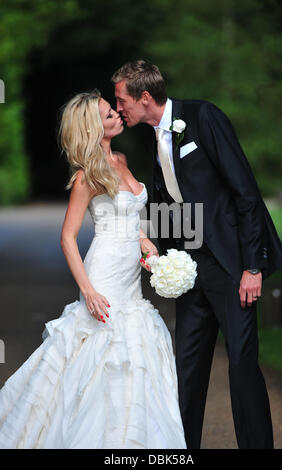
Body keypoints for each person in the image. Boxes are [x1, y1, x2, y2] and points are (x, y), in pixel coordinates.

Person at [111, 60, 282, 449]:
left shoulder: (204, 117)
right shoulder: (151, 136)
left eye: (121, 99)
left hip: (232, 266)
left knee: (242, 368)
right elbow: (170, 201)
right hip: (189, 269)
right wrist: (161, 255)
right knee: (185, 370)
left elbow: (245, 192)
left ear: (144, 97)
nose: (118, 106)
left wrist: (252, 266)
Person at [0, 90, 187, 449]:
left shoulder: (121, 158)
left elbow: (129, 218)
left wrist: (145, 243)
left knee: (135, 346)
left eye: (113, 110)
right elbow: (67, 238)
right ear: (92, 128)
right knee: (102, 347)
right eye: (107, 114)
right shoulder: (88, 176)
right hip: (103, 272)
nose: (117, 113)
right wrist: (87, 289)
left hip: (130, 272)